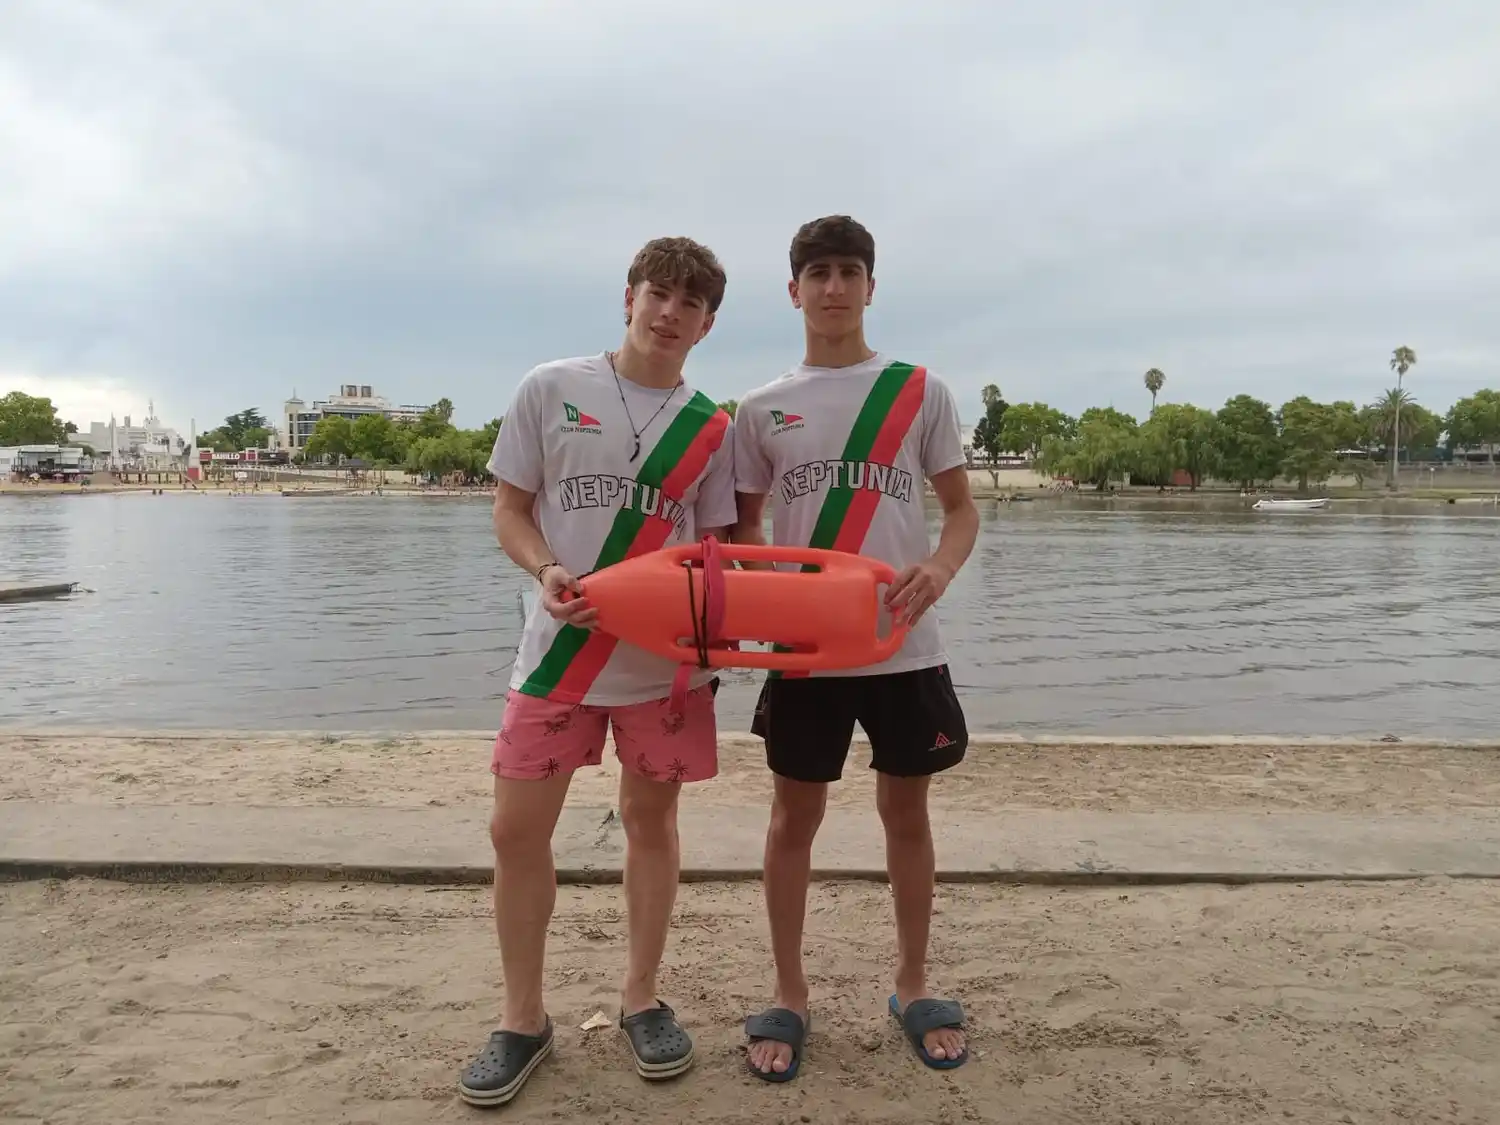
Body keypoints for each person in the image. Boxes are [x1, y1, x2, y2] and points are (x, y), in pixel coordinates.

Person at [459, 237, 736, 1108]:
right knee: (514, 832)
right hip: (557, 655)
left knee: (650, 823)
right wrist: (546, 567)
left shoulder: (714, 428)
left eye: (690, 304)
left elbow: (715, 551)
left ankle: (641, 998)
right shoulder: (550, 388)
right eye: (659, 294)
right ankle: (522, 1018)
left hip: (664, 670)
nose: (670, 314)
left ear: (707, 324)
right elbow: (509, 509)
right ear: (629, 297)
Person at [731, 215, 980, 1081]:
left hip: (904, 644)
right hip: (805, 650)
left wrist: (939, 570)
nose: (833, 287)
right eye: (818, 272)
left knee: (906, 816)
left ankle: (912, 984)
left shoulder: (918, 391)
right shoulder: (760, 408)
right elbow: (745, 528)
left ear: (871, 286)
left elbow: (961, 509)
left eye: (848, 271)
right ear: (793, 289)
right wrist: (763, 597)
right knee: (792, 820)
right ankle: (789, 993)